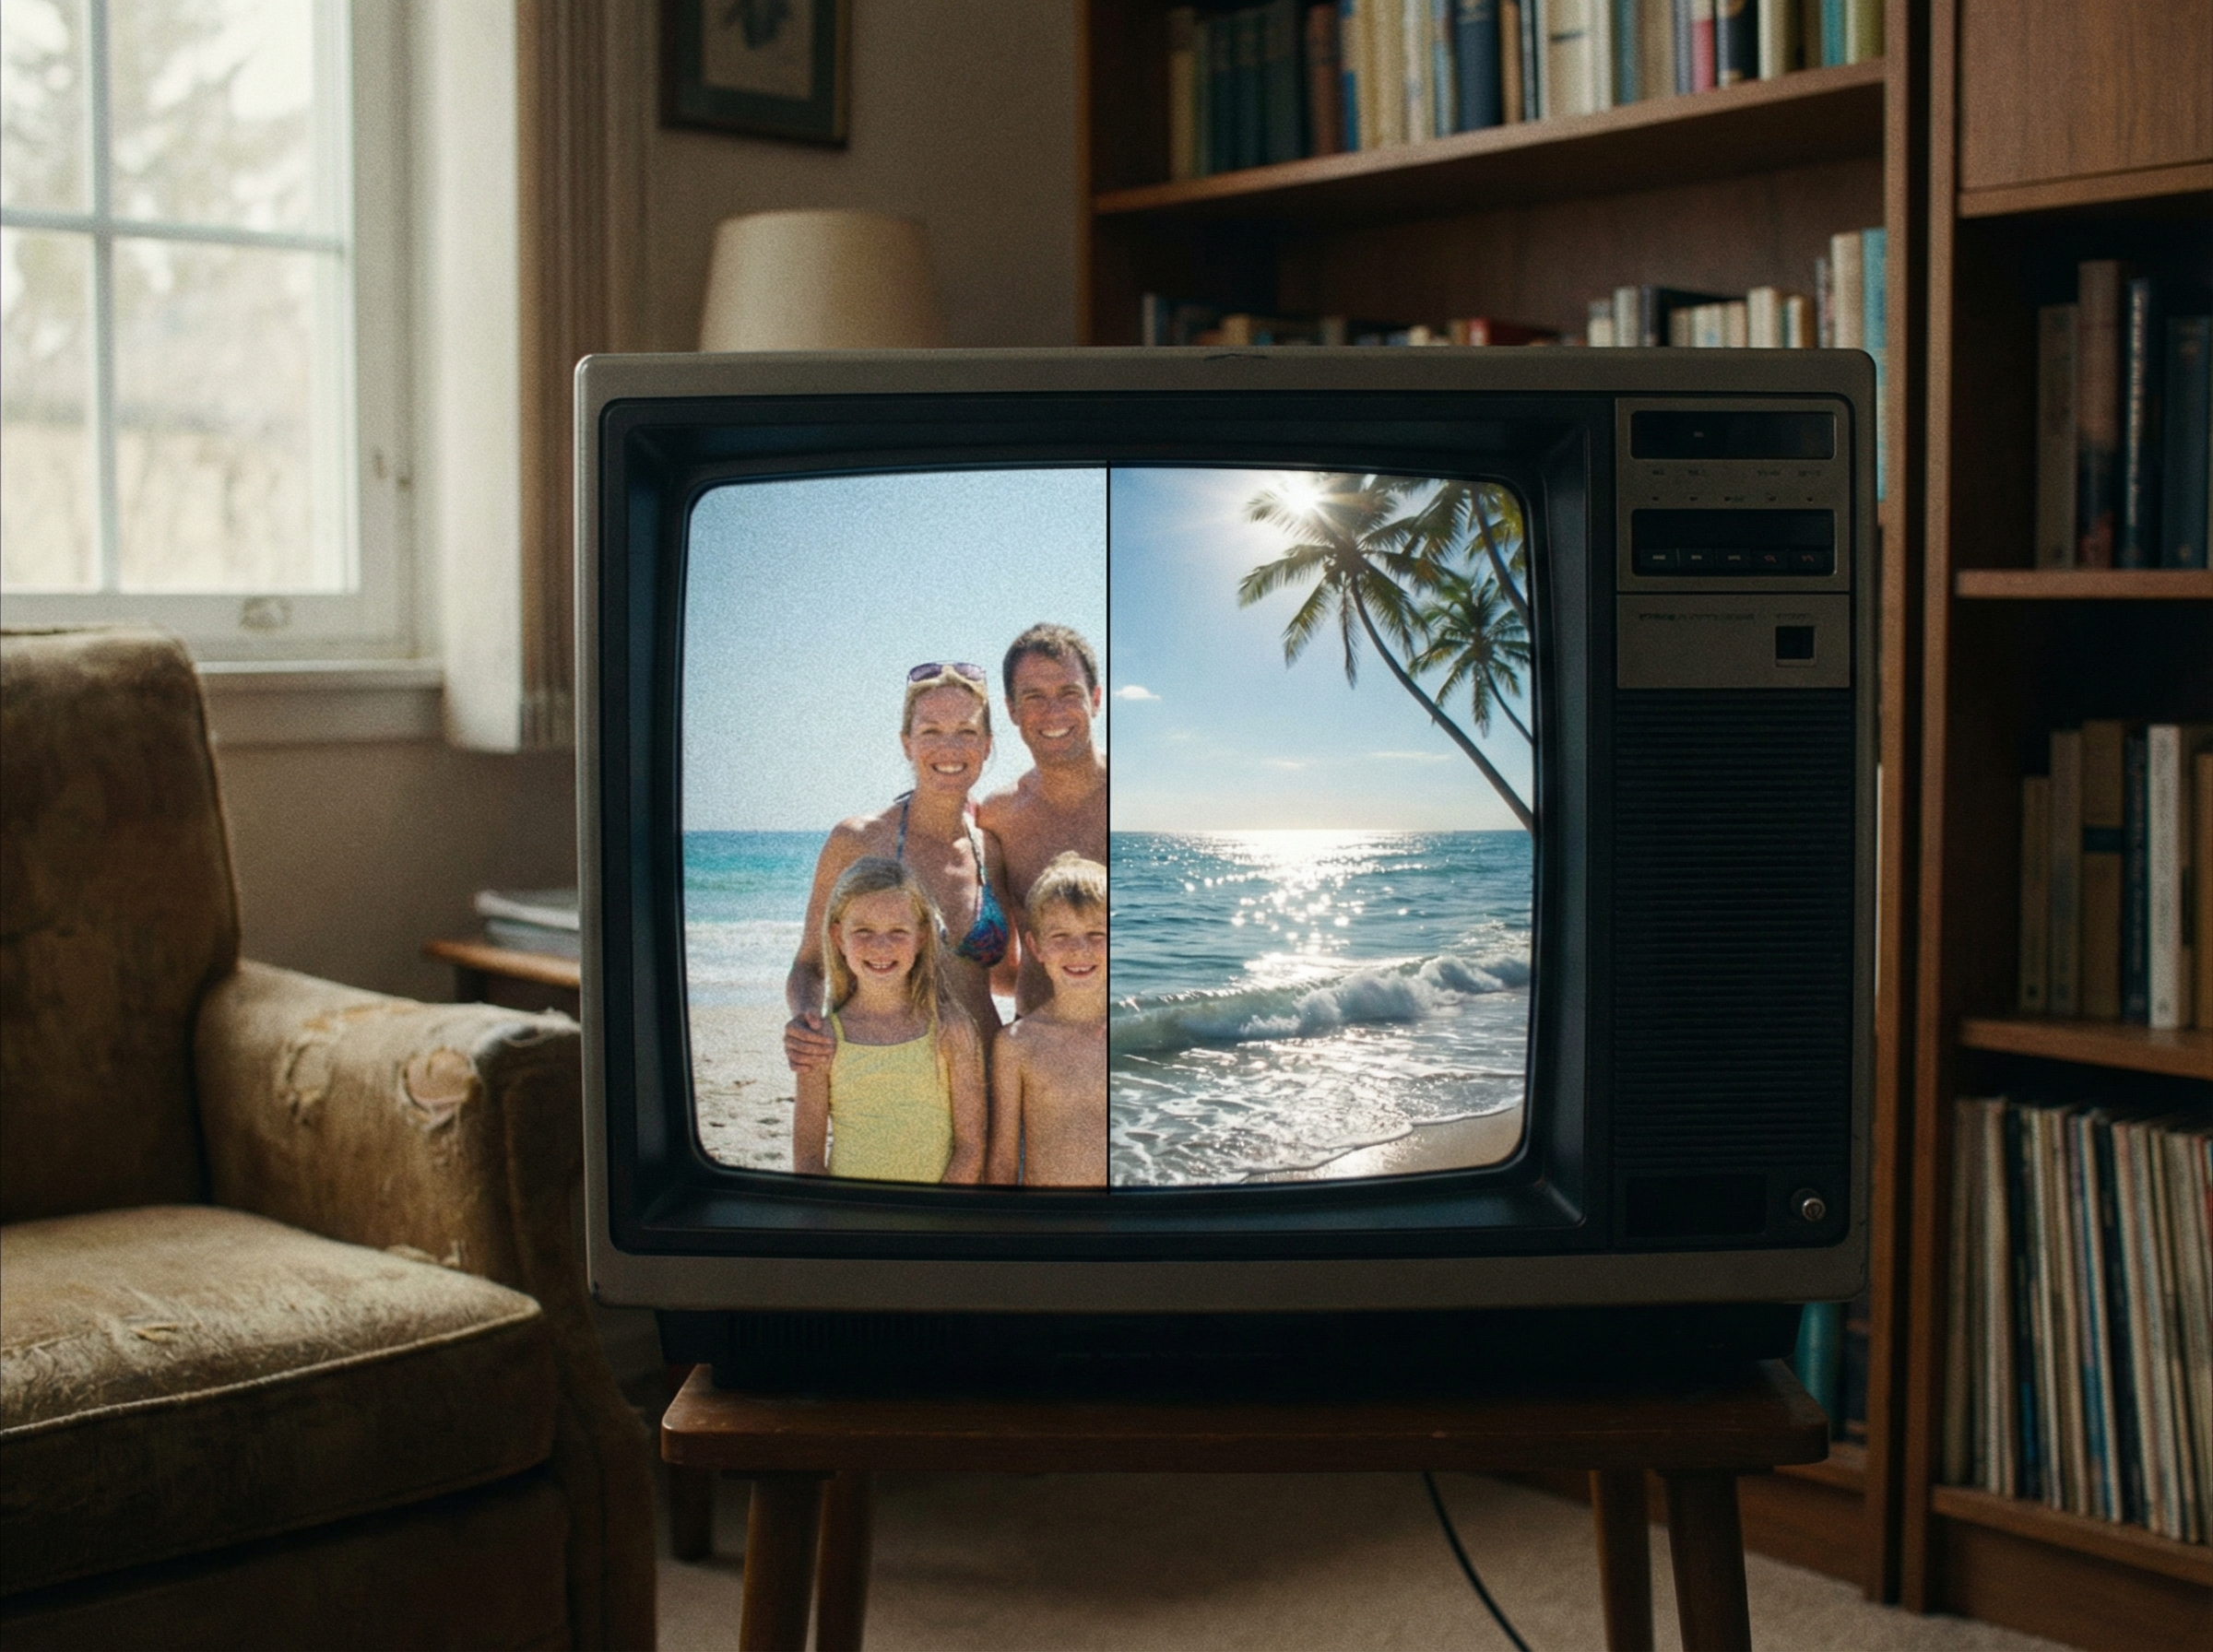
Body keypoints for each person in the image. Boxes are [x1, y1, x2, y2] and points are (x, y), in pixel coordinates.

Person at [785, 664, 1012, 1073]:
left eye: (966, 731)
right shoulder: (857, 841)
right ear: (907, 743)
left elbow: (1005, 977)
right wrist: (805, 1021)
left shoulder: (991, 850)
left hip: (987, 1073)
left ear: (987, 745)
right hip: (894, 1074)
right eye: (930, 731)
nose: (949, 747)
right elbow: (809, 965)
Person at [791, 856, 986, 1183]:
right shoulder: (823, 1039)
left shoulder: (950, 1028)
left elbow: (971, 1147)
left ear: (921, 937)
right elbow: (808, 1157)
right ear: (838, 937)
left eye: (897, 931)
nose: (881, 946)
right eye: (864, 931)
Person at [976, 624, 1109, 1016]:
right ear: (1012, 710)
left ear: (1095, 699)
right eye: (1034, 697)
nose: (1053, 712)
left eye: (1069, 693)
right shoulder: (998, 818)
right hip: (1036, 1053)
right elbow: (997, 970)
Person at [986, 854, 1108, 1187]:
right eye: (1060, 936)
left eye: (1097, 933)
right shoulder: (1017, 1044)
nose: (1079, 949)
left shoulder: (1135, 1030)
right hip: (1051, 1222)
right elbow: (1002, 1160)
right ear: (1035, 947)